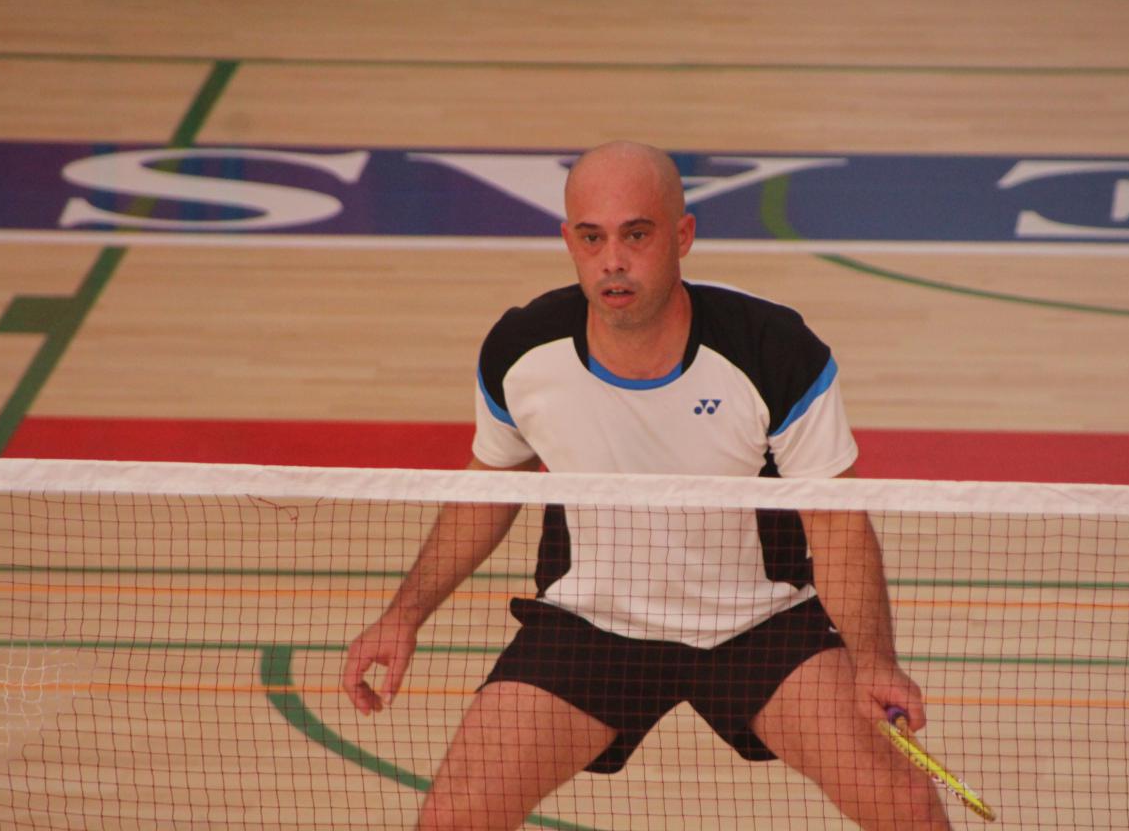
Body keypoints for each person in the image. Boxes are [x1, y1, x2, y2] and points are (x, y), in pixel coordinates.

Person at [342, 141, 952, 830]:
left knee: (907, 807)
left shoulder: (770, 350)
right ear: (568, 241)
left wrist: (874, 661)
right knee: (452, 819)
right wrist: (403, 614)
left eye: (636, 235)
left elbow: (836, 522)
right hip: (591, 628)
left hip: (761, 628)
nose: (613, 261)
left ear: (682, 235)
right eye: (592, 237)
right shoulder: (523, 351)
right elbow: (493, 484)